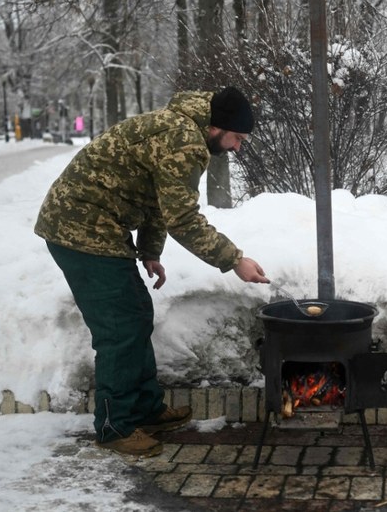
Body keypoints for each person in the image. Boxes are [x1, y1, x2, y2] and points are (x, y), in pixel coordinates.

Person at [35, 86, 269, 457]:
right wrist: (234, 260)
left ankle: (144, 409)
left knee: (137, 315)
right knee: (120, 328)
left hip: (96, 225)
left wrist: (149, 251)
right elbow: (184, 219)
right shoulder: (184, 141)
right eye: (237, 138)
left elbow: (157, 200)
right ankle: (115, 427)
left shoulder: (181, 129)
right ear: (218, 127)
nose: (237, 148)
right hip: (79, 228)